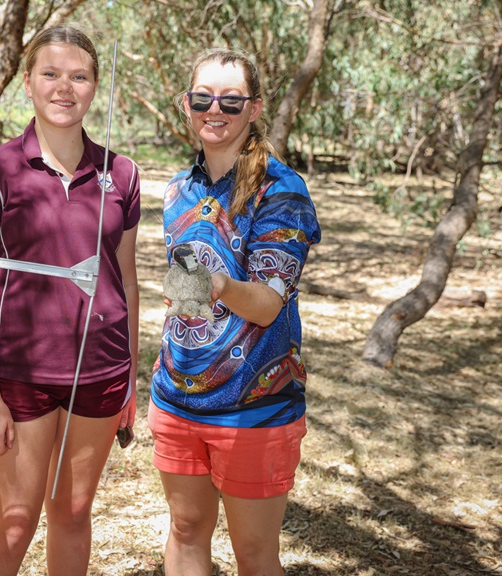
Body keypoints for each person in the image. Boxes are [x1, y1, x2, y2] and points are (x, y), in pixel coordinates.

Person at [0, 26, 140, 576]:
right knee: (13, 526)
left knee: (74, 513)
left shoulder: (122, 173)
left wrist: (132, 378)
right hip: (20, 376)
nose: (65, 87)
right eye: (51, 74)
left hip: (101, 372)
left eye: (79, 76)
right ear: (28, 85)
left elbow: (126, 282)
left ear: (94, 88)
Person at [149, 49, 321, 576]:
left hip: (254, 407)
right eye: (202, 98)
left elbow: (269, 303)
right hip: (177, 398)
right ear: (187, 104)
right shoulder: (180, 190)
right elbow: (188, 285)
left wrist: (218, 284)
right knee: (184, 532)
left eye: (230, 99)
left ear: (254, 108)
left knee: (253, 555)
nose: (214, 109)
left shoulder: (281, 190)